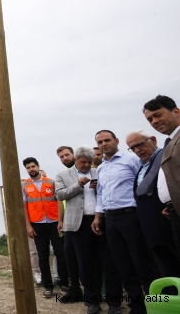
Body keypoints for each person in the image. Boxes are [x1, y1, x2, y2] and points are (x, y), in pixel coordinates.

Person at [92, 130, 158, 314]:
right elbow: (101, 194)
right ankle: (137, 308)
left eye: (107, 140)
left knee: (142, 264)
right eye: (100, 142)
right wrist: (98, 217)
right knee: (123, 265)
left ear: (116, 141)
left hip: (132, 216)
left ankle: (156, 305)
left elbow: (145, 182)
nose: (104, 144)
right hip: (110, 220)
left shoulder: (131, 159)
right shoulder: (101, 168)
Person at [55, 145, 122, 314]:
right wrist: (78, 185)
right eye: (83, 162)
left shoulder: (99, 172)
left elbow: (110, 191)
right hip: (79, 225)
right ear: (76, 160)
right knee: (86, 264)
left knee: (109, 261)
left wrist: (99, 187)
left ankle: (114, 303)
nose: (86, 165)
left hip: (101, 221)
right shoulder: (63, 175)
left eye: (89, 162)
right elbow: (60, 195)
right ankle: (93, 300)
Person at [128, 129, 180, 280]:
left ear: (153, 140)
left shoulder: (165, 157)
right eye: (133, 148)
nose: (138, 150)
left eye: (140, 145)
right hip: (149, 225)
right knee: (161, 268)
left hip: (165, 220)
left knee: (172, 265)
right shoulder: (143, 165)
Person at [22, 157, 69, 299]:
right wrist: (28, 226)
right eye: (28, 167)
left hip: (54, 222)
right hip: (37, 224)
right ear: (26, 169)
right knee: (42, 256)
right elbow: (24, 207)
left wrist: (61, 220)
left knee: (60, 254)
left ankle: (64, 283)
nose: (31, 169)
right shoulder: (24, 186)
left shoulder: (52, 183)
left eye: (33, 166)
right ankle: (48, 286)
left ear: (38, 166)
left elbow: (59, 201)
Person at [143, 95, 180, 254]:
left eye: (158, 115)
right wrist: (171, 203)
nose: (154, 122)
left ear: (176, 111)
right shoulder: (170, 141)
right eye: (150, 119)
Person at [53, 146, 83, 304]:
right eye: (61, 157)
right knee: (69, 255)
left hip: (88, 219)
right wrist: (60, 220)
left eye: (66, 155)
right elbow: (60, 197)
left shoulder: (88, 170)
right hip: (70, 221)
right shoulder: (62, 175)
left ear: (74, 154)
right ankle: (75, 289)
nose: (64, 158)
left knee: (87, 257)